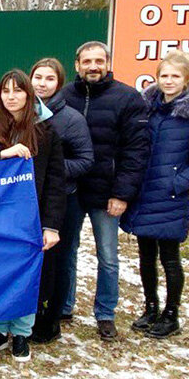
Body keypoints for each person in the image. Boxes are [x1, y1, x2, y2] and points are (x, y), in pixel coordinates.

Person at [0, 70, 65, 362]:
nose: (11, 96)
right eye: (6, 91)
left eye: (17, 91)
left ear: (28, 94)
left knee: (25, 274)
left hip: (29, 217)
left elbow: (56, 182)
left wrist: (51, 226)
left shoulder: (46, 131)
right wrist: (1, 154)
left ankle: (22, 332)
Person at [56, 41, 150, 340]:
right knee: (66, 251)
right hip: (71, 189)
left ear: (108, 63)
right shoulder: (63, 96)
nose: (93, 66)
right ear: (77, 65)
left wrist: (122, 193)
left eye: (99, 60)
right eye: (87, 61)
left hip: (106, 191)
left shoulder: (127, 98)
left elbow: (136, 151)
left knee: (108, 255)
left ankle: (105, 312)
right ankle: (64, 305)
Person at [119, 52, 189, 339]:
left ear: (186, 80)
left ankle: (171, 313)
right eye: (164, 76)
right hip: (144, 191)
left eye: (175, 76)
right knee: (146, 255)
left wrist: (179, 183)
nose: (169, 81)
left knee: (170, 257)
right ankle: (151, 307)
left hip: (170, 194)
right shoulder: (148, 109)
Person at [29, 58, 94, 343]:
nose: (42, 83)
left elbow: (85, 160)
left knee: (59, 259)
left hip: (62, 200)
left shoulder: (71, 119)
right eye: (38, 77)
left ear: (59, 83)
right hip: (28, 202)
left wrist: (49, 172)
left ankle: (54, 317)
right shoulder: (23, 113)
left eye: (49, 79)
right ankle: (31, 313)